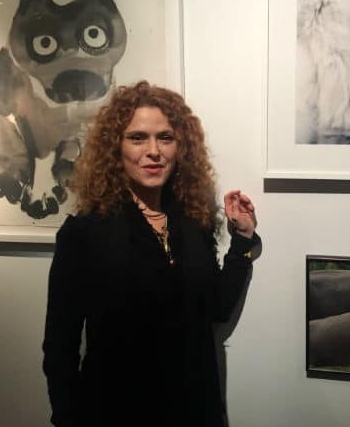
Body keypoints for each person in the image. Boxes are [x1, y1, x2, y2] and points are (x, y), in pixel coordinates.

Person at [42, 80, 260, 427]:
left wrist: (242, 241)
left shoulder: (192, 222)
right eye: (138, 137)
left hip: (194, 409)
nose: (154, 151)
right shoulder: (84, 233)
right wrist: (67, 418)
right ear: (116, 148)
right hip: (117, 411)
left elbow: (216, 307)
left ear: (180, 148)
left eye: (166, 137)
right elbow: (59, 347)